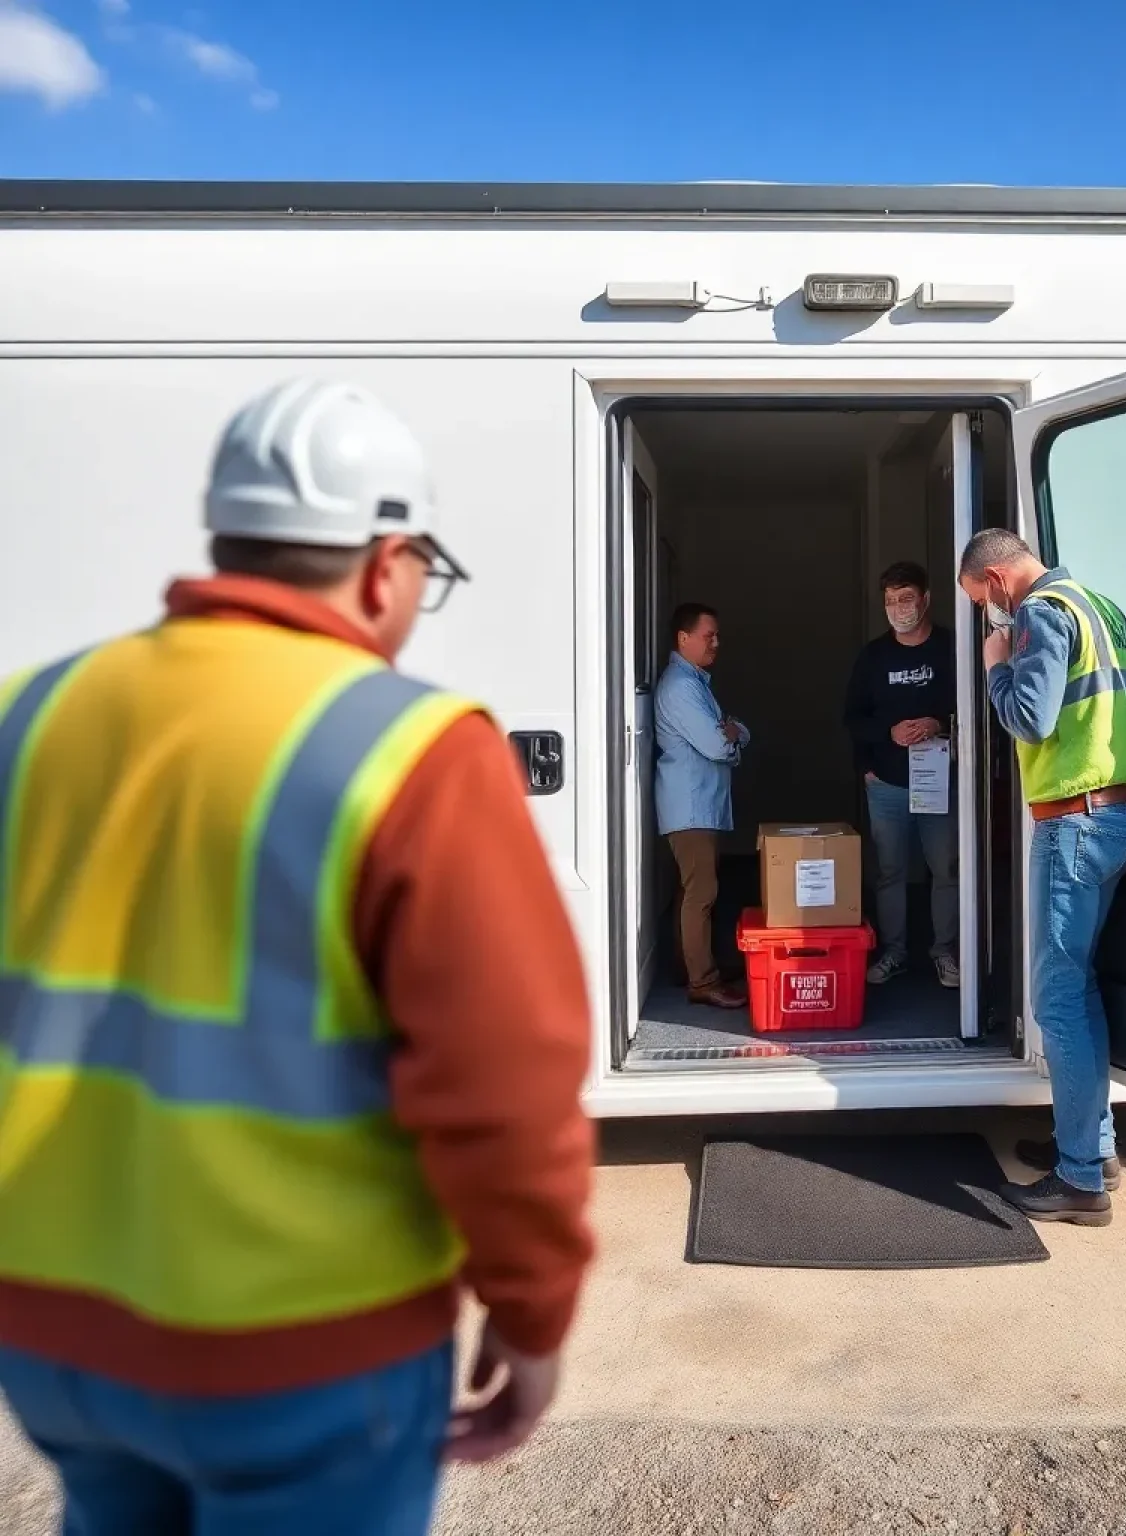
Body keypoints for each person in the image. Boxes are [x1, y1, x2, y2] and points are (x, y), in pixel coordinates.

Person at [0, 379, 595, 1535]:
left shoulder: (30, 713)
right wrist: (532, 1319)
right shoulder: (414, 750)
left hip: (49, 1333)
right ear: (386, 565)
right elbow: (506, 1091)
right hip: (301, 1350)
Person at [958, 528, 1126, 1226]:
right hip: (1118, 816)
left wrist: (994, 665)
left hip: (1073, 823)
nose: (991, 615)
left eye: (983, 602)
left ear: (1000, 581)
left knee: (1058, 1002)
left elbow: (1030, 721)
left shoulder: (1038, 612)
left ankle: (1077, 1182)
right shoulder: (1100, 606)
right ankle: (1093, 1151)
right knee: (1082, 989)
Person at [843, 562, 960, 990]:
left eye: (906, 598)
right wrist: (881, 745)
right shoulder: (874, 656)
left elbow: (976, 708)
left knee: (947, 868)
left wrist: (938, 724)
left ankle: (945, 953)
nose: (898, 608)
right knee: (889, 871)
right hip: (887, 784)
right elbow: (852, 717)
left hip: (941, 782)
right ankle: (893, 953)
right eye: (890, 601)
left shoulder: (951, 647)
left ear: (926, 599)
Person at [655, 603, 751, 1009]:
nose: (716, 642)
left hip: (698, 805)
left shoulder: (694, 683)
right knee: (702, 893)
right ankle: (702, 981)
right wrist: (729, 738)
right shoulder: (681, 688)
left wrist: (732, 735)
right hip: (691, 807)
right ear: (683, 638)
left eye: (716, 635)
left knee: (691, 890)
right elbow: (718, 743)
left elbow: (737, 732)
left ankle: (691, 965)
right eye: (708, 635)